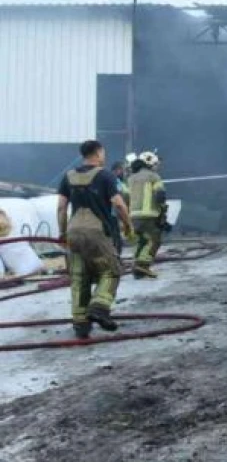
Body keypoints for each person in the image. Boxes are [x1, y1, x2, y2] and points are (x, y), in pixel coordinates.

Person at [57, 140, 134, 339]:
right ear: (98, 153)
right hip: (97, 232)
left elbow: (61, 208)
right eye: (103, 152)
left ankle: (81, 325)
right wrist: (127, 225)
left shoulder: (68, 176)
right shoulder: (105, 175)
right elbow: (118, 204)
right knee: (111, 271)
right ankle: (99, 308)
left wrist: (63, 233)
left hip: (74, 231)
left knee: (79, 277)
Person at [127, 150, 168, 279]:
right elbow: (160, 195)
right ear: (150, 164)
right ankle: (143, 265)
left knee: (141, 241)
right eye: (156, 164)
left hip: (133, 216)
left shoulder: (131, 178)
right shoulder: (154, 176)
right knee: (155, 240)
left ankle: (137, 270)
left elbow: (125, 196)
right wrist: (162, 210)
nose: (157, 166)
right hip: (149, 215)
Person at [109, 159, 131, 253]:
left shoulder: (121, 182)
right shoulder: (114, 181)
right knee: (115, 240)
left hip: (117, 214)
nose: (125, 172)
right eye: (123, 170)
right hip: (113, 214)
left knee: (117, 239)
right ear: (117, 170)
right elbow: (118, 200)